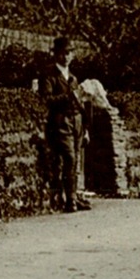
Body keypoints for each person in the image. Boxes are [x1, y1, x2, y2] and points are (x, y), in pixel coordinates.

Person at [36, 36, 90, 212]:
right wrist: (68, 96)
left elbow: (81, 105)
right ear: (56, 54)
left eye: (69, 53)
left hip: (76, 122)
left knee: (75, 159)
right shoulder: (49, 75)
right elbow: (46, 99)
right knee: (69, 158)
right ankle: (69, 200)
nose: (66, 57)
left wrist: (86, 128)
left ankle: (73, 197)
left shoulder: (73, 77)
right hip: (61, 123)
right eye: (63, 53)